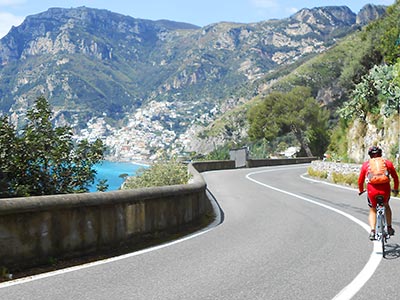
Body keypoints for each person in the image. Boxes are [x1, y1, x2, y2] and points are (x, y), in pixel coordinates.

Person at [358, 145, 399, 240]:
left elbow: (360, 180)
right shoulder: (387, 163)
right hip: (385, 190)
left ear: (370, 155)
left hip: (372, 190)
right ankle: (389, 227)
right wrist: (396, 188)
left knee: (372, 209)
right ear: (380, 154)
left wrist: (361, 190)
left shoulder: (366, 165)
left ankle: (372, 231)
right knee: (386, 205)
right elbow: (395, 178)